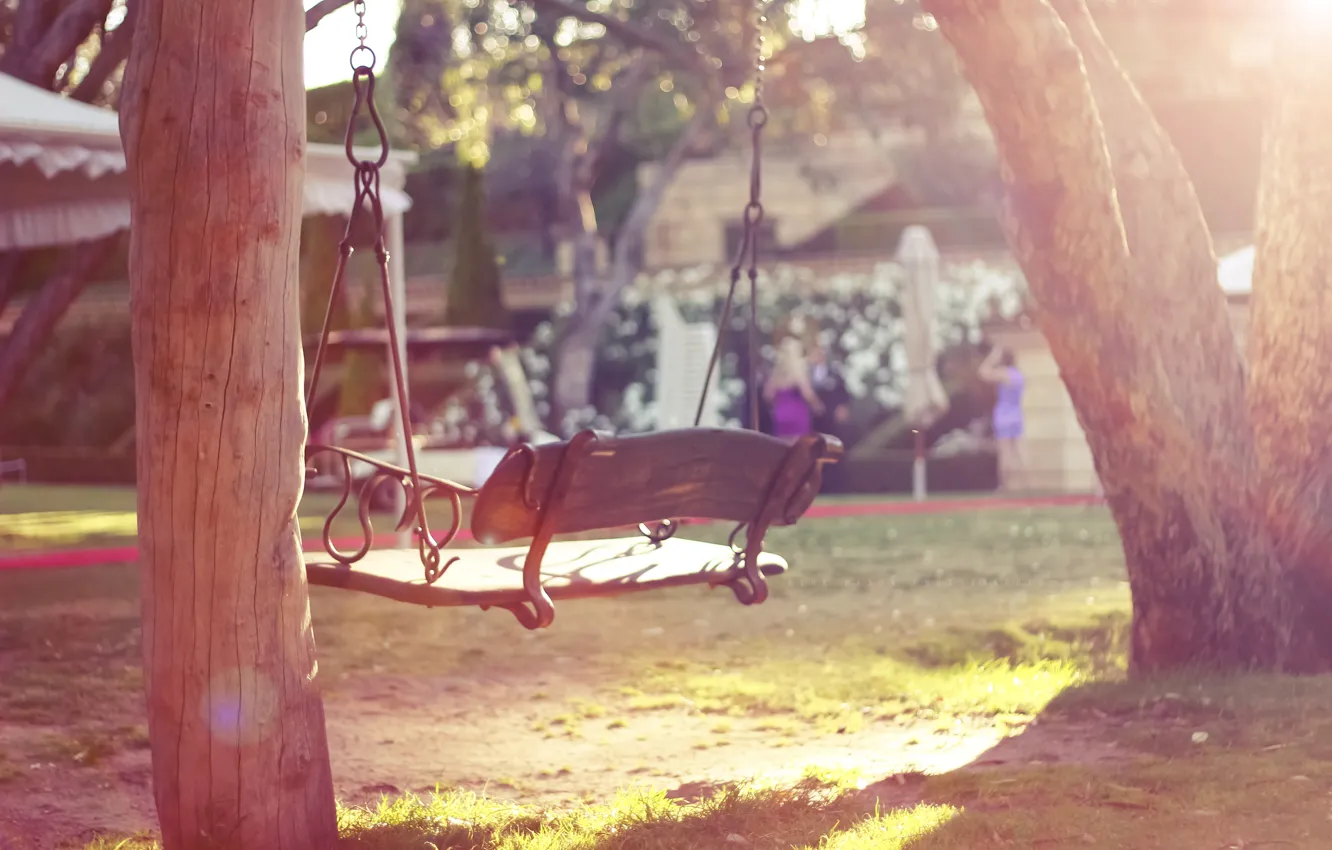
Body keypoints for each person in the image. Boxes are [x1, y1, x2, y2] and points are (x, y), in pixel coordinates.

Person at [979, 345, 1026, 491]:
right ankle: (1025, 484)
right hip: (1017, 414)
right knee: (1020, 451)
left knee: (1005, 452)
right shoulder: (1019, 375)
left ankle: (1004, 486)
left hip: (1004, 415)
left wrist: (993, 356)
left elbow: (982, 372)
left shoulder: (1003, 373)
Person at [764, 336, 823, 440]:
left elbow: (767, 395)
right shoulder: (799, 373)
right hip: (798, 415)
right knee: (798, 449)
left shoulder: (776, 374)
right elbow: (807, 394)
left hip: (780, 415)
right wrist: (818, 407)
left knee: (782, 447)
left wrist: (778, 404)